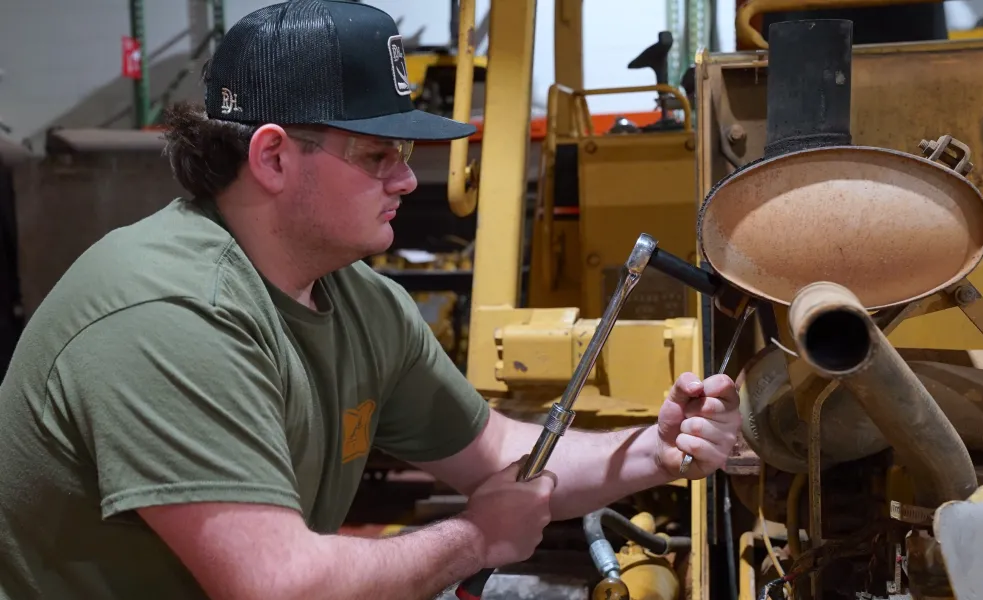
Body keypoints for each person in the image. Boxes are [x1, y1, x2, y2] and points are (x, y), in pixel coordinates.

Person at [0, 1, 742, 599]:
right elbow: (279, 587)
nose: (407, 181)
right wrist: (476, 538)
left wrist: (653, 449)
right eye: (377, 156)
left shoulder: (357, 302)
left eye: (407, 157)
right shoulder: (168, 315)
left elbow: (498, 454)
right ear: (272, 157)